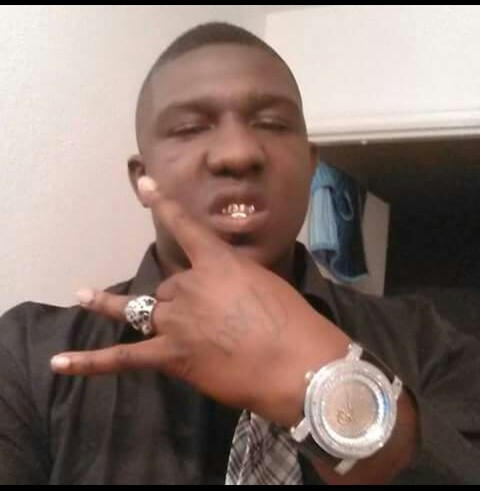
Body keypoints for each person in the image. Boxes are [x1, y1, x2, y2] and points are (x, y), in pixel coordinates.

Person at [0, 22, 479, 485]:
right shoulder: (26, 356)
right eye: (190, 127)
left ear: (311, 165)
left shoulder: (426, 343)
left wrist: (326, 383)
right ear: (140, 178)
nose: (237, 153)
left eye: (272, 124)